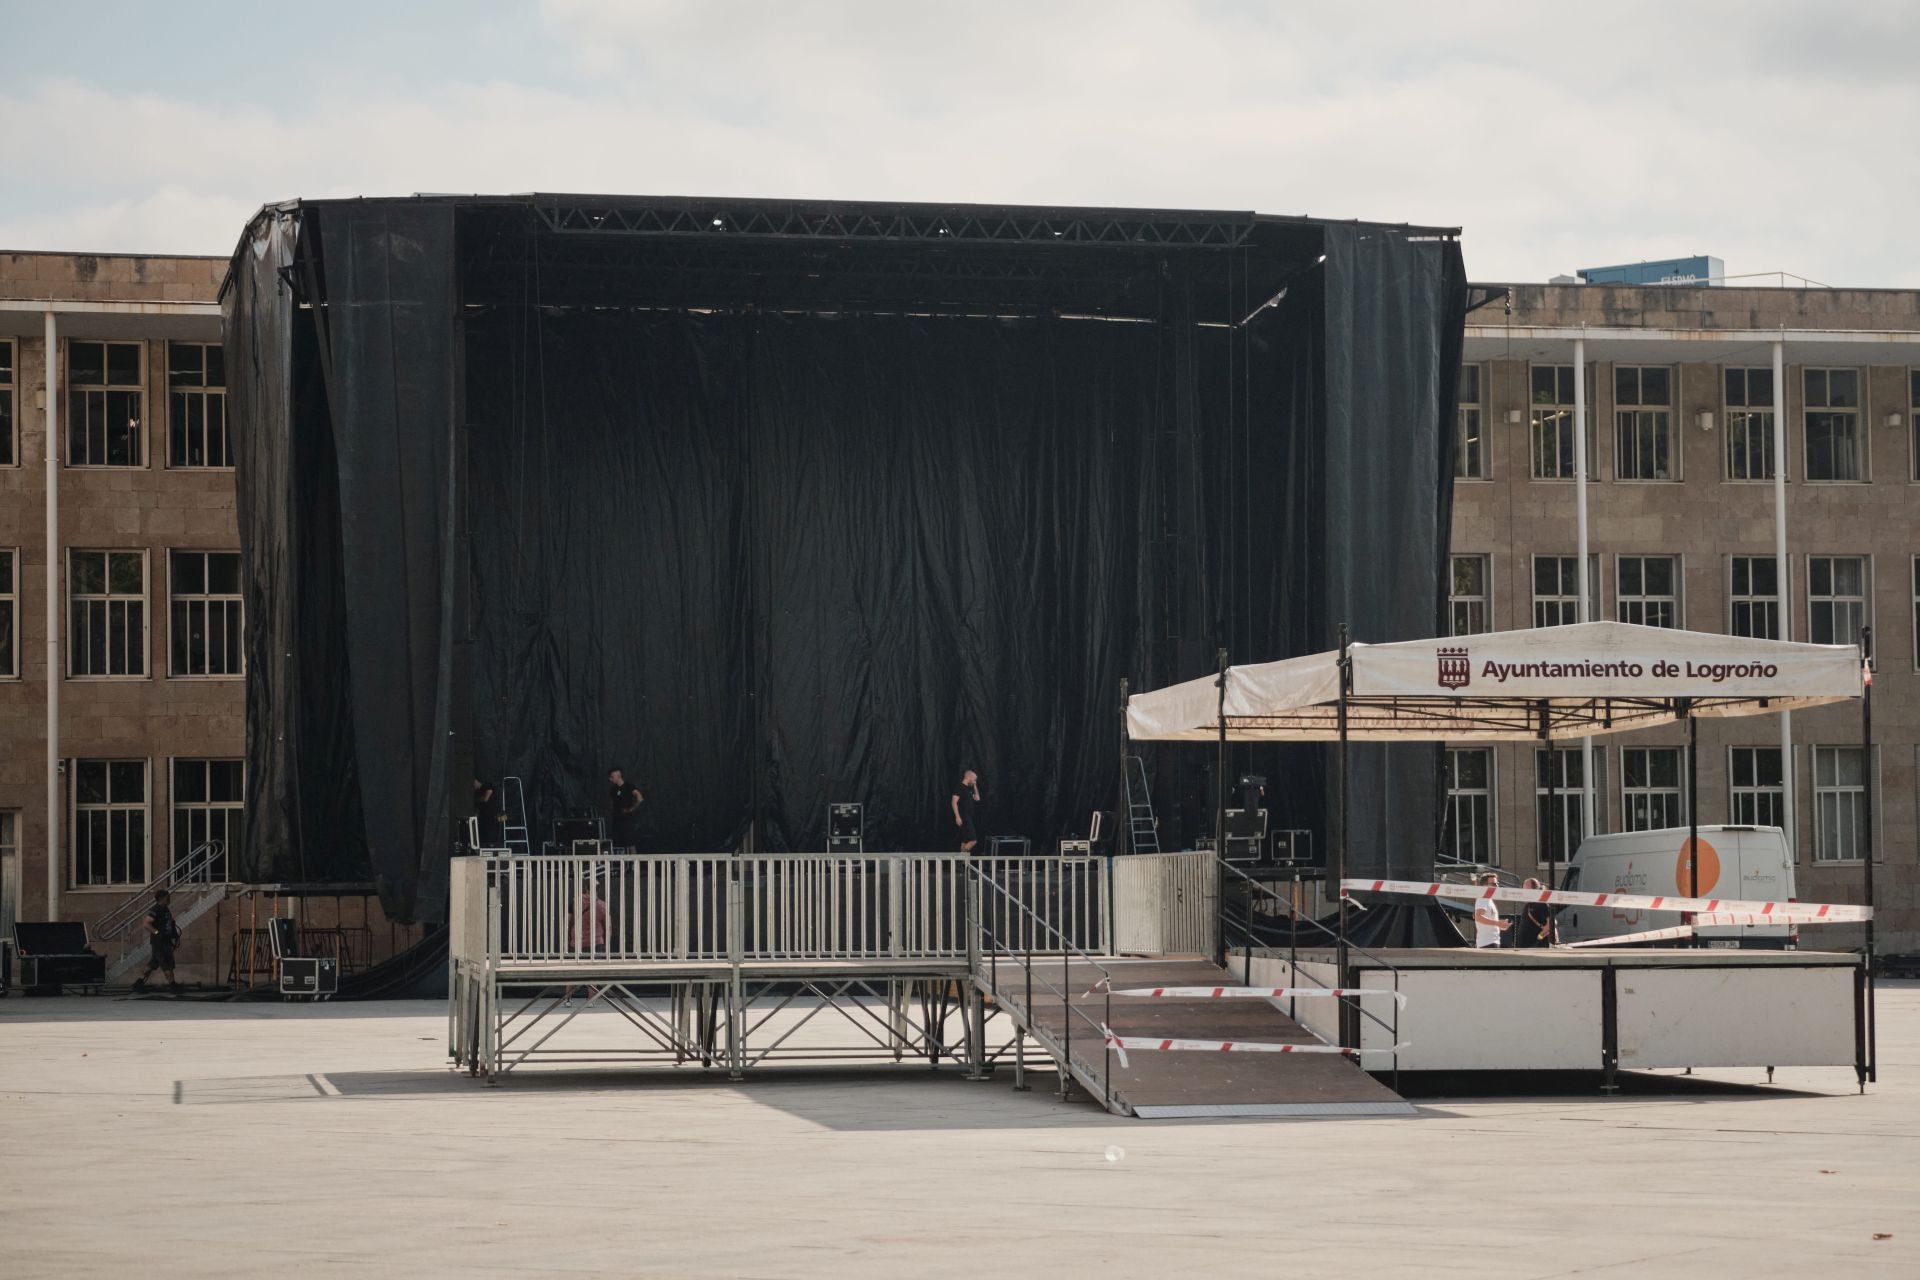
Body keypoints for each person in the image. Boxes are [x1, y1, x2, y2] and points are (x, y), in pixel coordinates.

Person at [564, 877, 610, 1008]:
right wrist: (606, 943)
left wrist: (566, 939)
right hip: (596, 943)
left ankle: (567, 999)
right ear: (598, 890)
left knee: (572, 972)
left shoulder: (574, 901)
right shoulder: (602, 905)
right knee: (593, 973)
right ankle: (590, 1000)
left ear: (585, 888)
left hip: (576, 942)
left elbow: (567, 922)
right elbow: (608, 926)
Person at [133, 889, 182, 993]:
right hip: (159, 942)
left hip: (166, 941)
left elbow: (169, 924)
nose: (169, 899)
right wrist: (157, 933)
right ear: (162, 898)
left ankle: (140, 982)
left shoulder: (165, 909)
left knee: (153, 963)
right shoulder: (156, 910)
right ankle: (172, 984)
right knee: (166, 963)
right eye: (167, 897)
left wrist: (174, 935)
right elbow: (146, 923)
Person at [607, 768, 644, 851]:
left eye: (612, 777)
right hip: (616, 818)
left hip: (627, 819)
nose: (610, 779)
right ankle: (622, 862)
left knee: (630, 841)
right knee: (617, 841)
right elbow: (612, 803)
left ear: (618, 776)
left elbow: (640, 798)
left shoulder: (629, 787)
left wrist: (631, 809)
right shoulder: (613, 789)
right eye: (610, 777)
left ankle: (634, 863)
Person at [1472, 872, 1511, 949]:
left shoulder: (1487, 899)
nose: (1496, 886)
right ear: (1484, 885)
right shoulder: (1483, 898)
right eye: (1493, 884)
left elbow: (1482, 920)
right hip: (1487, 943)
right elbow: (1478, 917)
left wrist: (1500, 925)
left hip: (1490, 942)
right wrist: (1498, 923)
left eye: (1497, 883)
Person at [1518, 876, 1558, 948]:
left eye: (1526, 889)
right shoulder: (1529, 905)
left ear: (1534, 890)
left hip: (1537, 948)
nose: (1523, 892)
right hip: (1526, 948)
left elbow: (1552, 923)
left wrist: (1539, 937)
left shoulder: (1541, 904)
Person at [950, 768, 982, 854]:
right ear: (969, 778)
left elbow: (977, 798)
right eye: (974, 779)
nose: (975, 781)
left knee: (964, 841)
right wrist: (957, 817)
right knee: (973, 840)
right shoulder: (959, 787)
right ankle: (961, 860)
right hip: (964, 817)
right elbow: (954, 802)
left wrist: (975, 786)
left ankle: (962, 864)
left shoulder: (969, 789)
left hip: (969, 817)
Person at [472, 778, 504, 850]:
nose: (473, 787)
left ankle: (492, 846)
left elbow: (486, 799)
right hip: (488, 816)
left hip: (495, 814)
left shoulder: (487, 785)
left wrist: (476, 800)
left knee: (493, 829)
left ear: (476, 781)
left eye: (473, 784)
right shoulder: (478, 792)